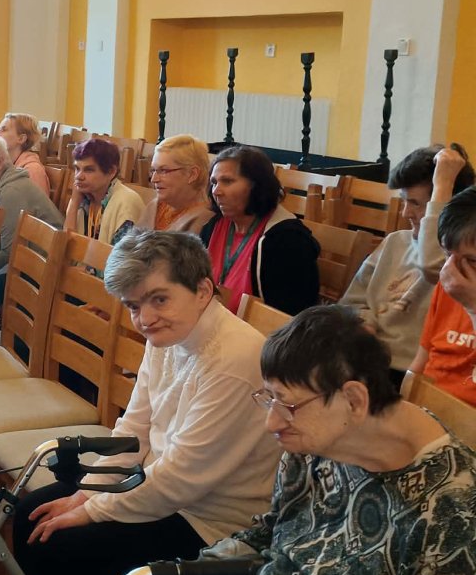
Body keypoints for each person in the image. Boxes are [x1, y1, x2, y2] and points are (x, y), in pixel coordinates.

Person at [100, 305, 476, 575]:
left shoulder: (452, 516)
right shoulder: (320, 439)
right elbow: (270, 531)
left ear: (353, 400)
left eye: (287, 404)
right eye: (270, 398)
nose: (272, 422)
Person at [13, 231, 282, 575]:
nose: (145, 318)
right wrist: (86, 493)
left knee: (55, 544)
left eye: (159, 299)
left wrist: (90, 510)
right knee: (29, 515)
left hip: (210, 520)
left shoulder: (233, 361)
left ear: (203, 291)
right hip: (161, 486)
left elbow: (182, 479)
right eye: (133, 305)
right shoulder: (170, 332)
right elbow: (134, 428)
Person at [342, 145, 472, 377]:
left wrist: (443, 184)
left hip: (406, 369)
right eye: (404, 201)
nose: (405, 213)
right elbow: (352, 301)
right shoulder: (394, 242)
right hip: (366, 357)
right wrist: (365, 323)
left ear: (443, 206)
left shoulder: (456, 262)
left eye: (416, 204)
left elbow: (432, 265)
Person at [0, 131, 64, 341]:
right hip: (17, 260)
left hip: (41, 265)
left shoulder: (12, 191)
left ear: (1, 161)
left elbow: (10, 250)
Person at [200, 145, 320, 315]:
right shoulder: (213, 226)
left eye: (227, 181)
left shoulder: (288, 240)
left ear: (256, 185)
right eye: (214, 183)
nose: (216, 191)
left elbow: (291, 316)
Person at [405, 184, 476, 406]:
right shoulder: (449, 284)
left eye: (472, 261)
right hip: (427, 409)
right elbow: (421, 362)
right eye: (447, 254)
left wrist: (473, 308)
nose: (450, 271)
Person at [63, 137, 145, 245]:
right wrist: (74, 203)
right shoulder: (82, 196)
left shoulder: (127, 202)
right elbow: (65, 245)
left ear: (111, 172)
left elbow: (121, 254)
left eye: (88, 170)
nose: (78, 176)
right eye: (77, 168)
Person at [135, 133, 214, 234]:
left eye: (164, 170)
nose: (154, 179)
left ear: (192, 174)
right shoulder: (156, 206)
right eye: (153, 170)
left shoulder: (204, 220)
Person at [0, 112, 50, 196]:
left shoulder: (32, 170)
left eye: (4, 129)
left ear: (21, 139)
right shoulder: (5, 164)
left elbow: (35, 203)